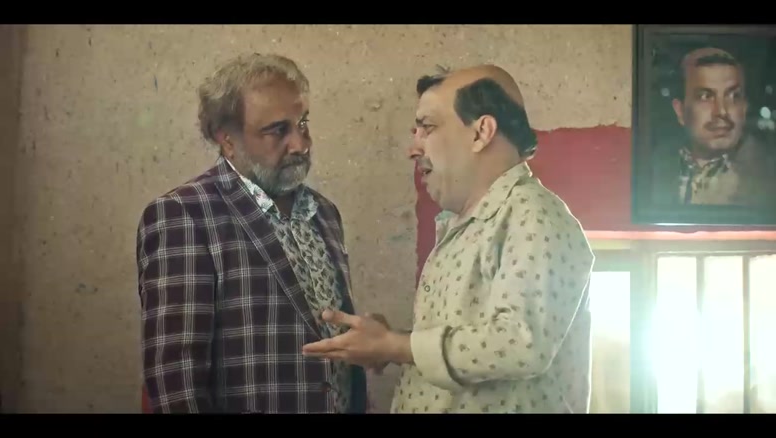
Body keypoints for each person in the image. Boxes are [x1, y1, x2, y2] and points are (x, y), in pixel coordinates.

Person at [303, 64, 595, 413]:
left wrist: (396, 346)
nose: (413, 148)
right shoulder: (467, 224)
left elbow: (519, 343)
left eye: (427, 127)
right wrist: (391, 342)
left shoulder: (535, 215)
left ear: (481, 132)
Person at [136, 53, 367, 413]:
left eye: (302, 123)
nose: (301, 144)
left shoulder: (324, 213)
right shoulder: (184, 215)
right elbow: (176, 381)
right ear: (227, 140)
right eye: (278, 130)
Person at [654, 46, 776, 207]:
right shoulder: (650, 168)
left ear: (744, 108)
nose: (722, 111)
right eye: (705, 96)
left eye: (733, 96)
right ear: (680, 111)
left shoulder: (768, 176)